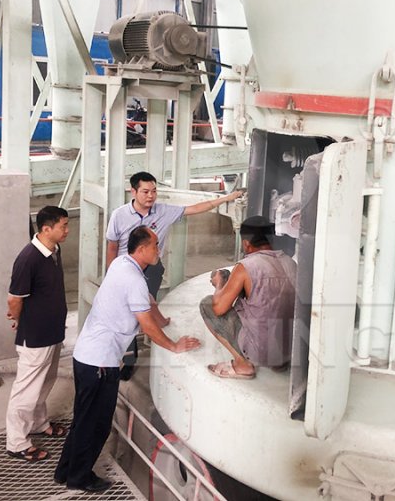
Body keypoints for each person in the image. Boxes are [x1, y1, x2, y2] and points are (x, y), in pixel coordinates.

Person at [54, 226, 200, 492]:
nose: (159, 250)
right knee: (97, 424)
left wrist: (164, 320)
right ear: (142, 249)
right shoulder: (134, 279)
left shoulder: (122, 264)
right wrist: (174, 345)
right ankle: (79, 478)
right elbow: (146, 324)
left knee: (83, 419)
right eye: (155, 245)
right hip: (100, 362)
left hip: (87, 355)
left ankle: (65, 471)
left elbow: (148, 303)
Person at [105, 171, 242, 379]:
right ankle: (129, 356)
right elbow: (112, 247)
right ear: (133, 191)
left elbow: (195, 208)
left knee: (140, 311)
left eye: (154, 191)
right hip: (125, 270)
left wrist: (226, 198)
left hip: (151, 269)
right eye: (145, 192)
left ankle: (142, 346)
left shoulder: (163, 211)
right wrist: (111, 275)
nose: (151, 196)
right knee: (127, 313)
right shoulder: (119, 215)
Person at [5, 206, 70, 462]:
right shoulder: (28, 259)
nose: (67, 230)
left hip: (52, 331)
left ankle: (39, 423)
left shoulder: (54, 250)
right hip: (35, 336)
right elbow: (14, 300)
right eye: (63, 226)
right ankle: (16, 442)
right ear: (46, 229)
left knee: (45, 382)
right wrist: (20, 320)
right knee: (26, 391)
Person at [200, 216, 297, 379]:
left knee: (207, 304)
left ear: (246, 244)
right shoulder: (290, 263)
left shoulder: (246, 266)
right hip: (290, 351)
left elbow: (218, 308)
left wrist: (219, 284)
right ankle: (278, 364)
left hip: (261, 352)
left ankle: (242, 364)